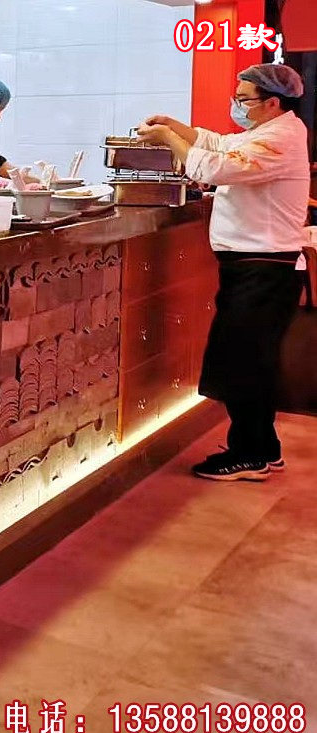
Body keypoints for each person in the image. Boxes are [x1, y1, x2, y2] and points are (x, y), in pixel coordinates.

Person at [137, 63, 308, 482]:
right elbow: (220, 144)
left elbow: (215, 168)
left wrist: (170, 141)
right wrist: (177, 126)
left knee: (243, 363)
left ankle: (250, 455)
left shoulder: (281, 139)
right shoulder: (267, 131)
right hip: (255, 267)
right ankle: (262, 449)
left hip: (265, 268)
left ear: (272, 103)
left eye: (243, 99)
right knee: (250, 361)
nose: (237, 105)